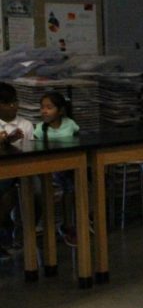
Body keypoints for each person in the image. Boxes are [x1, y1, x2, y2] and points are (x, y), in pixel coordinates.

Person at [34, 92, 80, 247]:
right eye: (42, 108)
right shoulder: (41, 129)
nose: (44, 111)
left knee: (72, 189)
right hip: (49, 168)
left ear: (60, 110)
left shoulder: (70, 124)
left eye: (49, 107)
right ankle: (48, 226)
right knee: (52, 191)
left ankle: (70, 224)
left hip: (68, 166)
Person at [0, 83, 34, 258]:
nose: (13, 107)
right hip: (4, 174)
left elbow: (31, 149)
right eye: (8, 103)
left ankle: (23, 236)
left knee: (36, 193)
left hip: (23, 171)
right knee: (6, 196)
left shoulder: (26, 125)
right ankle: (6, 237)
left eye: (15, 102)